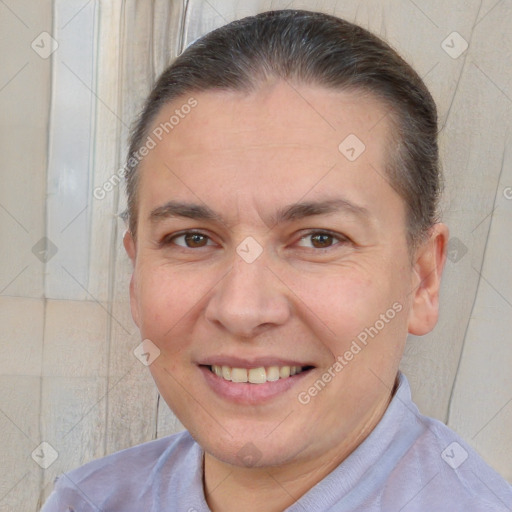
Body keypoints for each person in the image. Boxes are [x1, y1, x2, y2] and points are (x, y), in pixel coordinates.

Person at [42, 9, 512, 512]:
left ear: (421, 281)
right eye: (193, 239)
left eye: (320, 239)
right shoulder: (87, 501)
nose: (243, 310)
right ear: (136, 277)